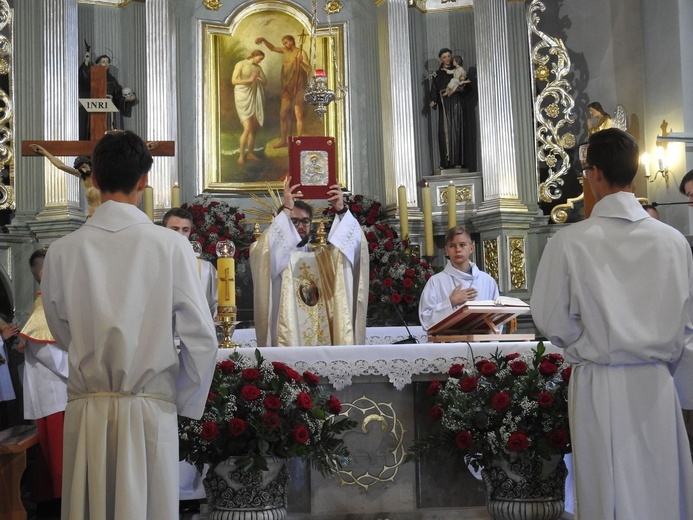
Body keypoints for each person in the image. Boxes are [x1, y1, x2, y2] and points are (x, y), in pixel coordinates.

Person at [41, 131, 218, 520]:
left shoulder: (61, 251)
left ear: (94, 180)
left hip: (88, 410)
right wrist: (178, 399)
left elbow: (61, 330)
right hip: (148, 411)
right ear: (143, 182)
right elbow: (202, 340)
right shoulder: (170, 246)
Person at [530, 128, 693, 520]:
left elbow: (551, 320)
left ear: (595, 173)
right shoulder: (673, 241)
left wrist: (588, 340)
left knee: (607, 493)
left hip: (599, 380)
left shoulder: (570, 242)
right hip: (655, 382)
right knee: (659, 487)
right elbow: (686, 323)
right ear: (634, 173)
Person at [250, 175, 368, 346]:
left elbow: (353, 249)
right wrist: (287, 208)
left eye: (305, 221)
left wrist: (341, 210)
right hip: (288, 341)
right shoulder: (278, 258)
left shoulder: (324, 258)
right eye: (294, 221)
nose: (300, 226)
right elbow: (265, 250)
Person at [18, 249, 67, 516]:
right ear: (44, 274)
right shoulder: (43, 309)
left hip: (59, 394)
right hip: (55, 396)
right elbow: (51, 356)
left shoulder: (53, 305)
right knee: (57, 463)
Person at [418, 226, 499, 330]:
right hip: (447, 343)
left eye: (462, 245)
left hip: (481, 343)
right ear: (446, 250)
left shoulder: (487, 281)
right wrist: (451, 302)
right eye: (452, 246)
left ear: (471, 248)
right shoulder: (436, 281)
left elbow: (497, 319)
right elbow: (426, 320)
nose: (458, 250)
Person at [255, 35, 310, 148]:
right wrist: (264, 39)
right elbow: (272, 48)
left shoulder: (301, 53)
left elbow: (309, 69)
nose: (284, 45)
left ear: (291, 42)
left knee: (298, 115)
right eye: (284, 43)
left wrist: (301, 63)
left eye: (286, 42)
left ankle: (299, 141)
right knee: (283, 114)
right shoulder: (285, 50)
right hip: (286, 87)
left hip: (298, 86)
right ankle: (284, 140)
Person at [163, 207, 218, 318]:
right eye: (175, 229)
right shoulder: (154, 263)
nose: (181, 235)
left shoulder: (206, 269)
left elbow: (216, 304)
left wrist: (217, 317)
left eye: (185, 230)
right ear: (163, 230)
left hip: (196, 331)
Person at [29, 145, 99, 217]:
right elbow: (61, 166)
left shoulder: (100, 175)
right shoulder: (81, 175)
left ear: (89, 164)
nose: (83, 170)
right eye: (80, 168)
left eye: (84, 166)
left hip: (103, 215)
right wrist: (44, 151)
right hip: (91, 216)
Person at [429, 48, 466, 170]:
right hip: (444, 104)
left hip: (455, 103)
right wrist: (433, 100)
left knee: (456, 129)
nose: (447, 59)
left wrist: (461, 88)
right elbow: (434, 89)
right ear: (440, 59)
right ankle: (445, 162)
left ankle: (457, 161)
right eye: (444, 57)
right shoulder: (437, 74)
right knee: (444, 132)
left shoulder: (457, 70)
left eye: (449, 56)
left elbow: (464, 84)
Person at [232, 50, 268, 165]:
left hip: (252, 95)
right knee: (247, 128)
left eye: (262, 60)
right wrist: (249, 80)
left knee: (253, 127)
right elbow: (234, 81)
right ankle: (241, 156)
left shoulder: (257, 68)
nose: (260, 61)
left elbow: (265, 82)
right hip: (242, 96)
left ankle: (250, 153)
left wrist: (257, 79)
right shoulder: (241, 64)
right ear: (254, 55)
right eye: (260, 58)